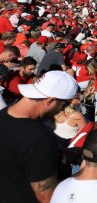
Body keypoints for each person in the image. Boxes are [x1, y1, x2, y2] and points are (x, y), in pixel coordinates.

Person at [0, 70, 79, 203]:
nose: (62, 110)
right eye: (64, 104)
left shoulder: (4, 115)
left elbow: (21, 158)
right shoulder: (38, 138)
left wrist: (71, 153)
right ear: (51, 101)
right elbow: (47, 197)